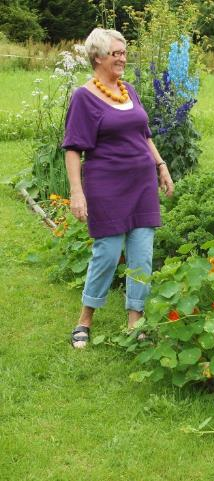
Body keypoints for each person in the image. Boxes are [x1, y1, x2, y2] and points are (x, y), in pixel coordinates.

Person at [63, 28, 174, 348]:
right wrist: (76, 191)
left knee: (142, 255)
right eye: (116, 53)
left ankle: (135, 319)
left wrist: (161, 165)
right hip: (106, 185)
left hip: (142, 184)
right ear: (98, 57)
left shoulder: (129, 91)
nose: (123, 58)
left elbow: (144, 134)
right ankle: (85, 319)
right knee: (107, 254)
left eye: (125, 52)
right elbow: (73, 148)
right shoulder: (84, 97)